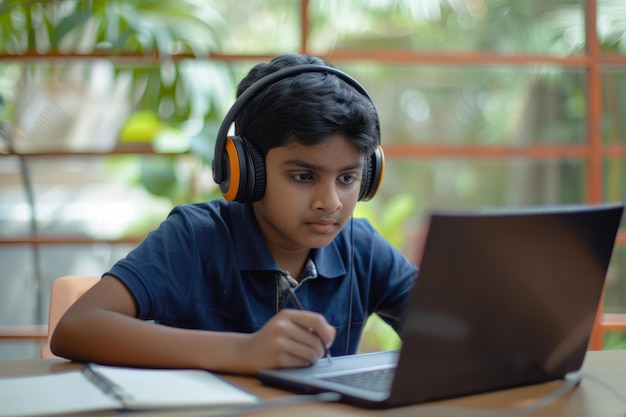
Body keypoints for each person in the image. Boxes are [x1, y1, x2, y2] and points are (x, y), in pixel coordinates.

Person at [51, 53, 418, 374]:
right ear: (246, 171)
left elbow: (454, 327)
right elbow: (76, 328)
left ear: (369, 175)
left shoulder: (361, 248)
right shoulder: (194, 239)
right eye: (303, 176)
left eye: (348, 178)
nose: (331, 202)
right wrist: (244, 350)